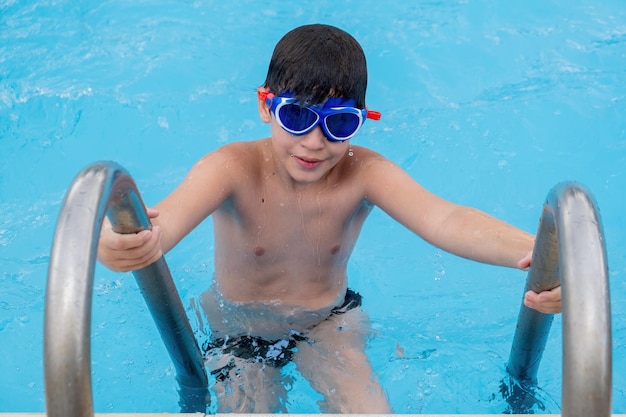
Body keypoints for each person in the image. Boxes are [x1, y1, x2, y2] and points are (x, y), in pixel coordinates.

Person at [98, 23, 561, 413]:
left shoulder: (364, 173)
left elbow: (446, 219)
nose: (315, 142)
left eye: (338, 123)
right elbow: (164, 223)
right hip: (240, 332)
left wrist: (544, 255)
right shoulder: (232, 169)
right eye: (297, 116)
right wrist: (120, 243)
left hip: (329, 321)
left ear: (359, 121)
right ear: (266, 106)